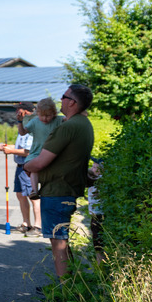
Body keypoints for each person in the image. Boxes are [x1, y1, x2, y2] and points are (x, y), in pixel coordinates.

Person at [24, 84, 95, 280]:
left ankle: (65, 293)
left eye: (64, 96)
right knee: (61, 241)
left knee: (58, 244)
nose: (60, 100)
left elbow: (40, 163)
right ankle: (71, 286)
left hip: (57, 191)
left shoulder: (68, 127)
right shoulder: (83, 123)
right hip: (67, 189)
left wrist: (27, 166)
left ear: (72, 102)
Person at [0, 102, 38, 235]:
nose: (16, 113)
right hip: (20, 165)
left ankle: (37, 226)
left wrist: (11, 151)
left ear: (26, 112)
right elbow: (20, 146)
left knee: (33, 195)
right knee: (20, 194)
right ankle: (26, 223)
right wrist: (7, 146)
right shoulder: (23, 125)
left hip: (28, 166)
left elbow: (28, 151)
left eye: (18, 110)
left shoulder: (32, 126)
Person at [19, 97, 62, 201]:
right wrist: (19, 122)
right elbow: (23, 133)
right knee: (33, 168)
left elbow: (69, 119)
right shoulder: (34, 122)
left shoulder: (59, 120)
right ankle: (34, 190)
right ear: (37, 113)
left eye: (48, 115)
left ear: (54, 113)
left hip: (53, 152)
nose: (45, 118)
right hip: (37, 152)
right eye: (42, 115)